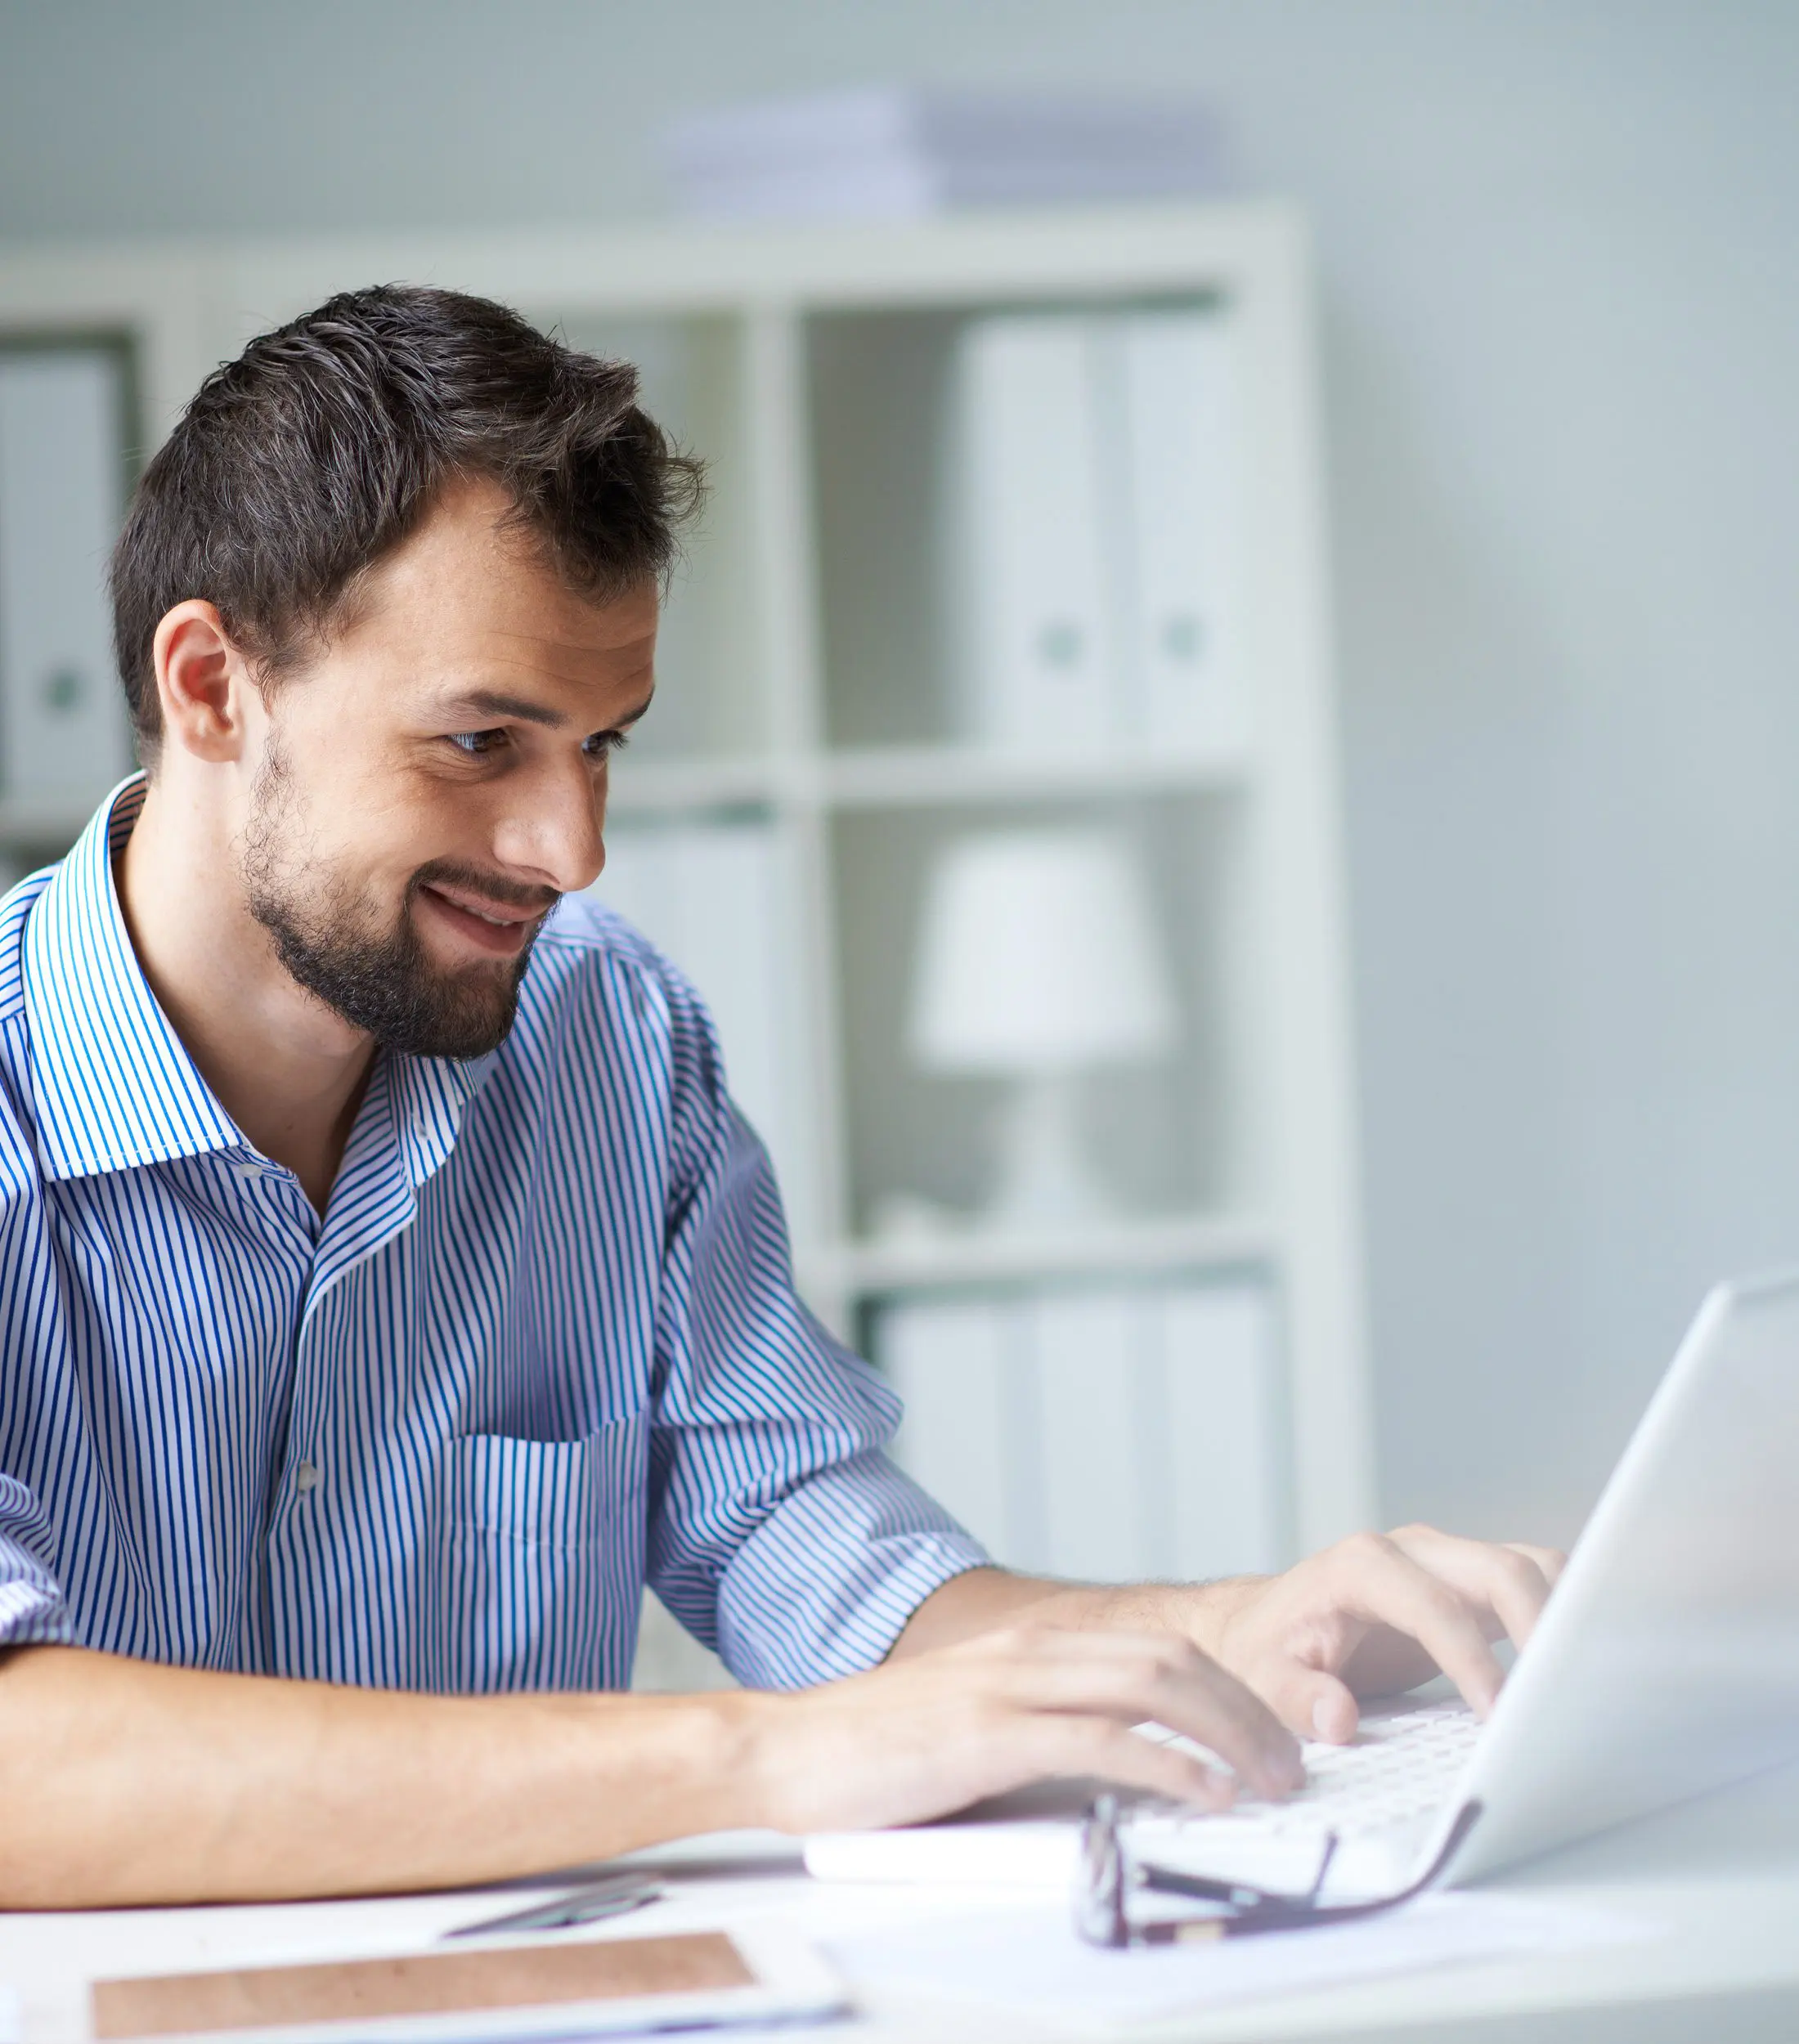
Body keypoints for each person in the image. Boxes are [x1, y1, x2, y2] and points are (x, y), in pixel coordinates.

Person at [0, 286, 1561, 1908]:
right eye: (480, 740)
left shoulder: (606, 1039)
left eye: (602, 745)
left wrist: (1228, 1629)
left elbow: (811, 1554)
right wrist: (753, 1754)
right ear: (209, 688)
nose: (569, 850)